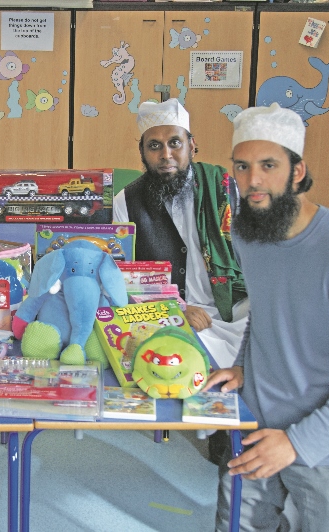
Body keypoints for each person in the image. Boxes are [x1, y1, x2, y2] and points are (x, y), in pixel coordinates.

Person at [205, 103, 329, 531]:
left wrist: (296, 442)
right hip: (256, 424)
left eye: (268, 165)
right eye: (242, 166)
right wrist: (242, 366)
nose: (253, 180)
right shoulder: (248, 232)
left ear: (297, 170)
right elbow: (266, 310)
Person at [114, 98, 248, 370]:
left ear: (192, 145)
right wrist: (173, 308)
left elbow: (255, 255)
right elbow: (120, 277)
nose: (166, 155)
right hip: (165, 313)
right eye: (154, 146)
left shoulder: (224, 188)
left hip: (231, 307)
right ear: (142, 151)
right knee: (167, 357)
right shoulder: (124, 202)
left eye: (175, 143)